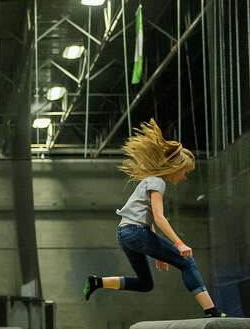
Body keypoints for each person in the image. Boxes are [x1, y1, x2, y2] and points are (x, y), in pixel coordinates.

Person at [83, 119, 223, 317]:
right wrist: (179, 243)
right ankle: (212, 311)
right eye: (186, 172)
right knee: (187, 262)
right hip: (136, 232)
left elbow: (148, 219)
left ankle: (97, 282)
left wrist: (157, 253)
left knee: (145, 283)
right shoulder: (158, 182)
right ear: (176, 166)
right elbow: (159, 218)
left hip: (125, 234)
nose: (185, 177)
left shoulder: (150, 181)